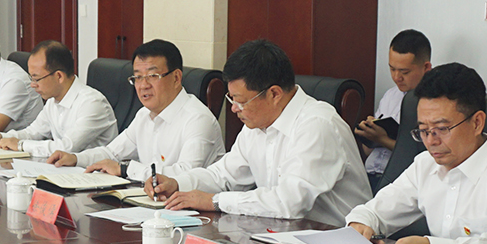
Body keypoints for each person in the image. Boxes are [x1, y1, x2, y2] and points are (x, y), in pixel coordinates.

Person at [346, 63, 487, 244]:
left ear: (477, 123)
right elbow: (376, 211)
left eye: (441, 129)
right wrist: (362, 224)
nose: (431, 141)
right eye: (423, 130)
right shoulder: (426, 164)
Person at [151, 39, 370, 222]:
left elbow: (289, 202)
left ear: (274, 94)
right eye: (231, 99)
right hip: (285, 235)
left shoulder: (317, 125)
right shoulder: (257, 123)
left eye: (240, 101)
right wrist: (177, 183)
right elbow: (223, 175)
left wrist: (214, 201)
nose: (234, 108)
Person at [50, 38, 223, 182]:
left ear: (176, 78)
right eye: (138, 77)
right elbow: (111, 153)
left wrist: (125, 169)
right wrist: (75, 158)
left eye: (152, 76)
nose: (143, 85)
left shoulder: (198, 119)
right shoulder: (144, 115)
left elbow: (186, 174)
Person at [0, 41, 117, 157]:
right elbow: (33, 132)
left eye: (36, 79)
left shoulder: (92, 103)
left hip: (92, 168)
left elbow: (66, 148)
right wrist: (1, 137)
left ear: (59, 76)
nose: (32, 85)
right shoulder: (52, 100)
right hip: (63, 167)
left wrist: (21, 145)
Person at [356, 29, 431, 191]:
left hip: (401, 182)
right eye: (392, 69)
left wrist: (383, 139)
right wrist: (368, 134)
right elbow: (368, 151)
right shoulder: (390, 95)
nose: (397, 77)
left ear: (426, 67)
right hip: (369, 174)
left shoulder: (433, 102)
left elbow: (426, 156)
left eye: (404, 72)